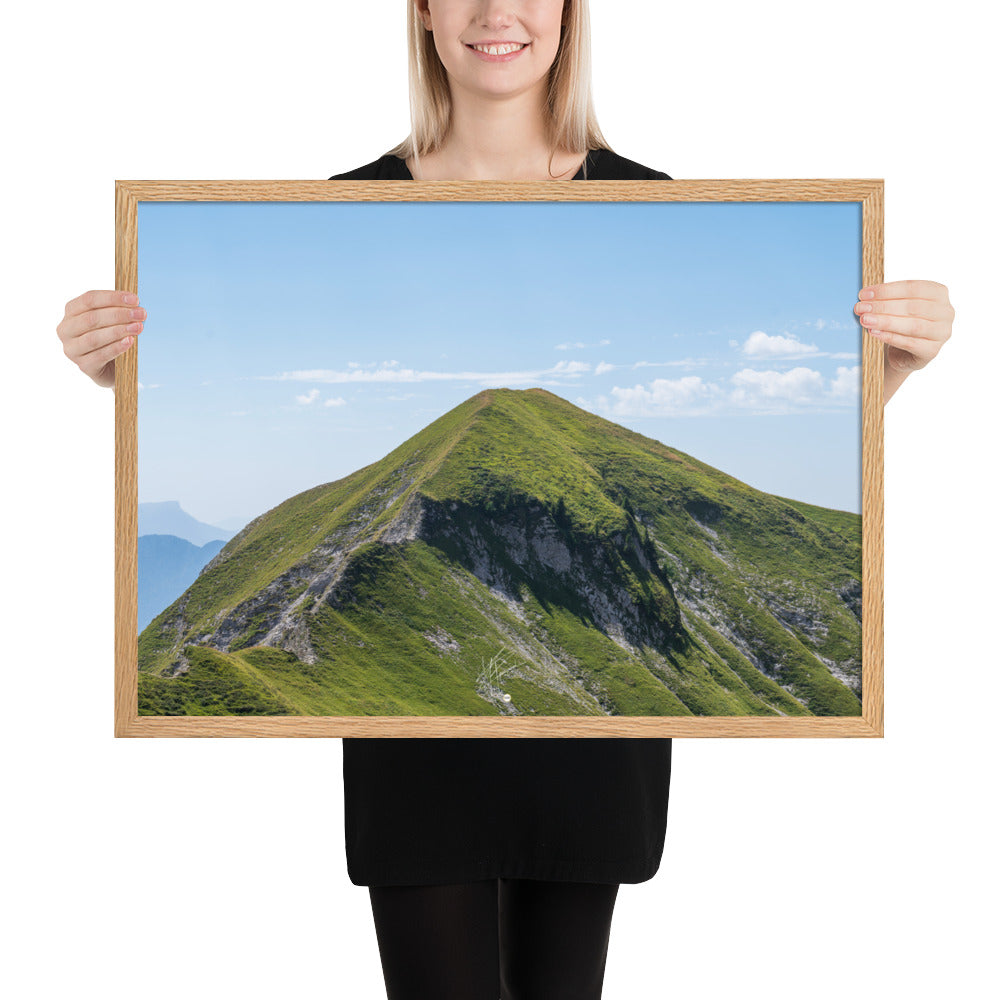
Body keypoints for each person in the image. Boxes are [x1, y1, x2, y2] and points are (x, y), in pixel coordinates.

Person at [55, 2, 954, 997]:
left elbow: (828, 409)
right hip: (415, 763)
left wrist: (894, 366)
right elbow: (209, 350)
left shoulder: (654, 202)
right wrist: (120, 375)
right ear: (424, 13)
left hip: (589, 757)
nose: (496, 12)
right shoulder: (340, 205)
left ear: (570, 13)